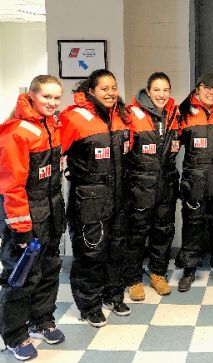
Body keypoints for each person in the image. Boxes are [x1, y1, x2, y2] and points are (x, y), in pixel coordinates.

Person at [59, 69, 132, 327]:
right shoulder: (74, 118)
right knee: (91, 253)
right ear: (91, 91)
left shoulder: (122, 117)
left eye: (114, 87)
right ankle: (89, 305)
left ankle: (113, 295)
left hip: (118, 198)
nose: (111, 92)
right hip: (89, 200)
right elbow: (55, 151)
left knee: (116, 250)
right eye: (104, 88)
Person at [0, 75, 65, 360]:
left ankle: (42, 320)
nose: (52, 103)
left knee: (49, 270)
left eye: (56, 98)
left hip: (51, 214)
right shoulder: (16, 132)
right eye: (46, 97)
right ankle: (14, 334)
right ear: (32, 96)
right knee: (21, 276)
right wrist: (22, 230)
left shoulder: (53, 126)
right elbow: (11, 187)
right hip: (26, 218)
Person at [176, 74, 213, 292]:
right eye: (206, 88)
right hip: (195, 183)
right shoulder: (184, 113)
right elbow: (173, 145)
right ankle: (189, 269)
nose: (211, 92)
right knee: (193, 225)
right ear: (198, 90)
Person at [124, 72, 180, 301]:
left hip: (166, 184)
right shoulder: (131, 114)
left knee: (163, 231)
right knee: (136, 234)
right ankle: (133, 279)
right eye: (157, 90)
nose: (161, 94)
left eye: (166, 90)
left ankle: (158, 273)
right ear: (148, 92)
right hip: (140, 186)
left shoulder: (175, 114)